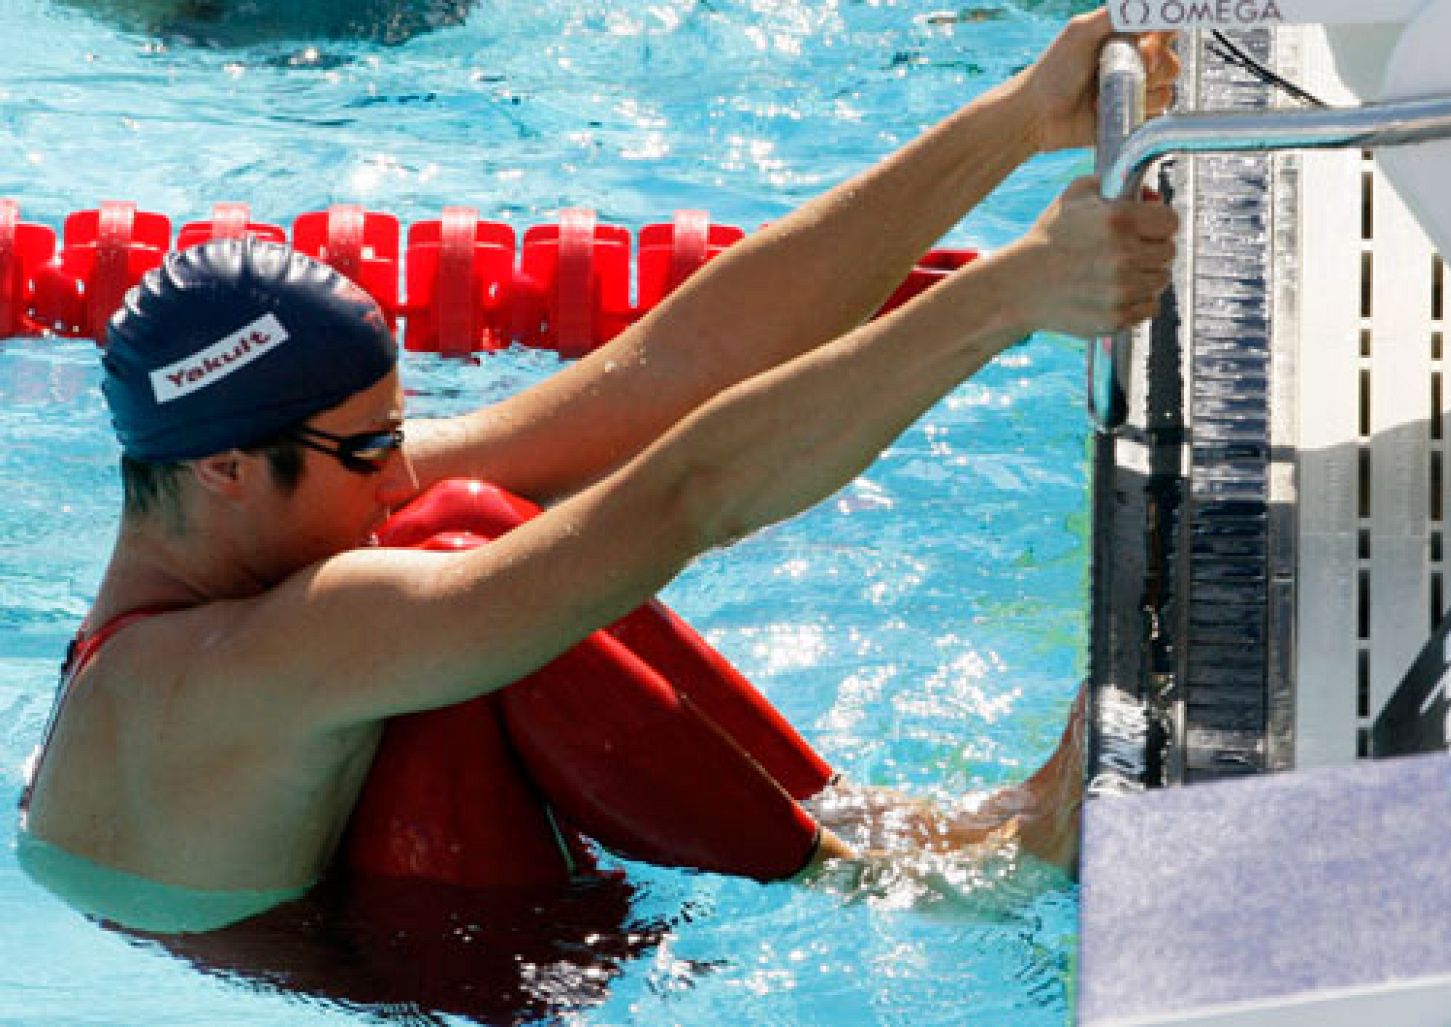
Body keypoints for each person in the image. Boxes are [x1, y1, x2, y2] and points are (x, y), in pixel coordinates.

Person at [19, 10, 1181, 934]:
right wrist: (1009, 297)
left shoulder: (259, 536)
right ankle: (887, 887)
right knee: (468, 550)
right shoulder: (238, 662)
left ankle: (882, 825)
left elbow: (663, 374)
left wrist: (1013, 121)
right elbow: (682, 499)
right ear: (225, 467)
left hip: (388, 899)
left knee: (461, 516)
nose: (394, 475)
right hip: (411, 969)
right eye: (369, 449)